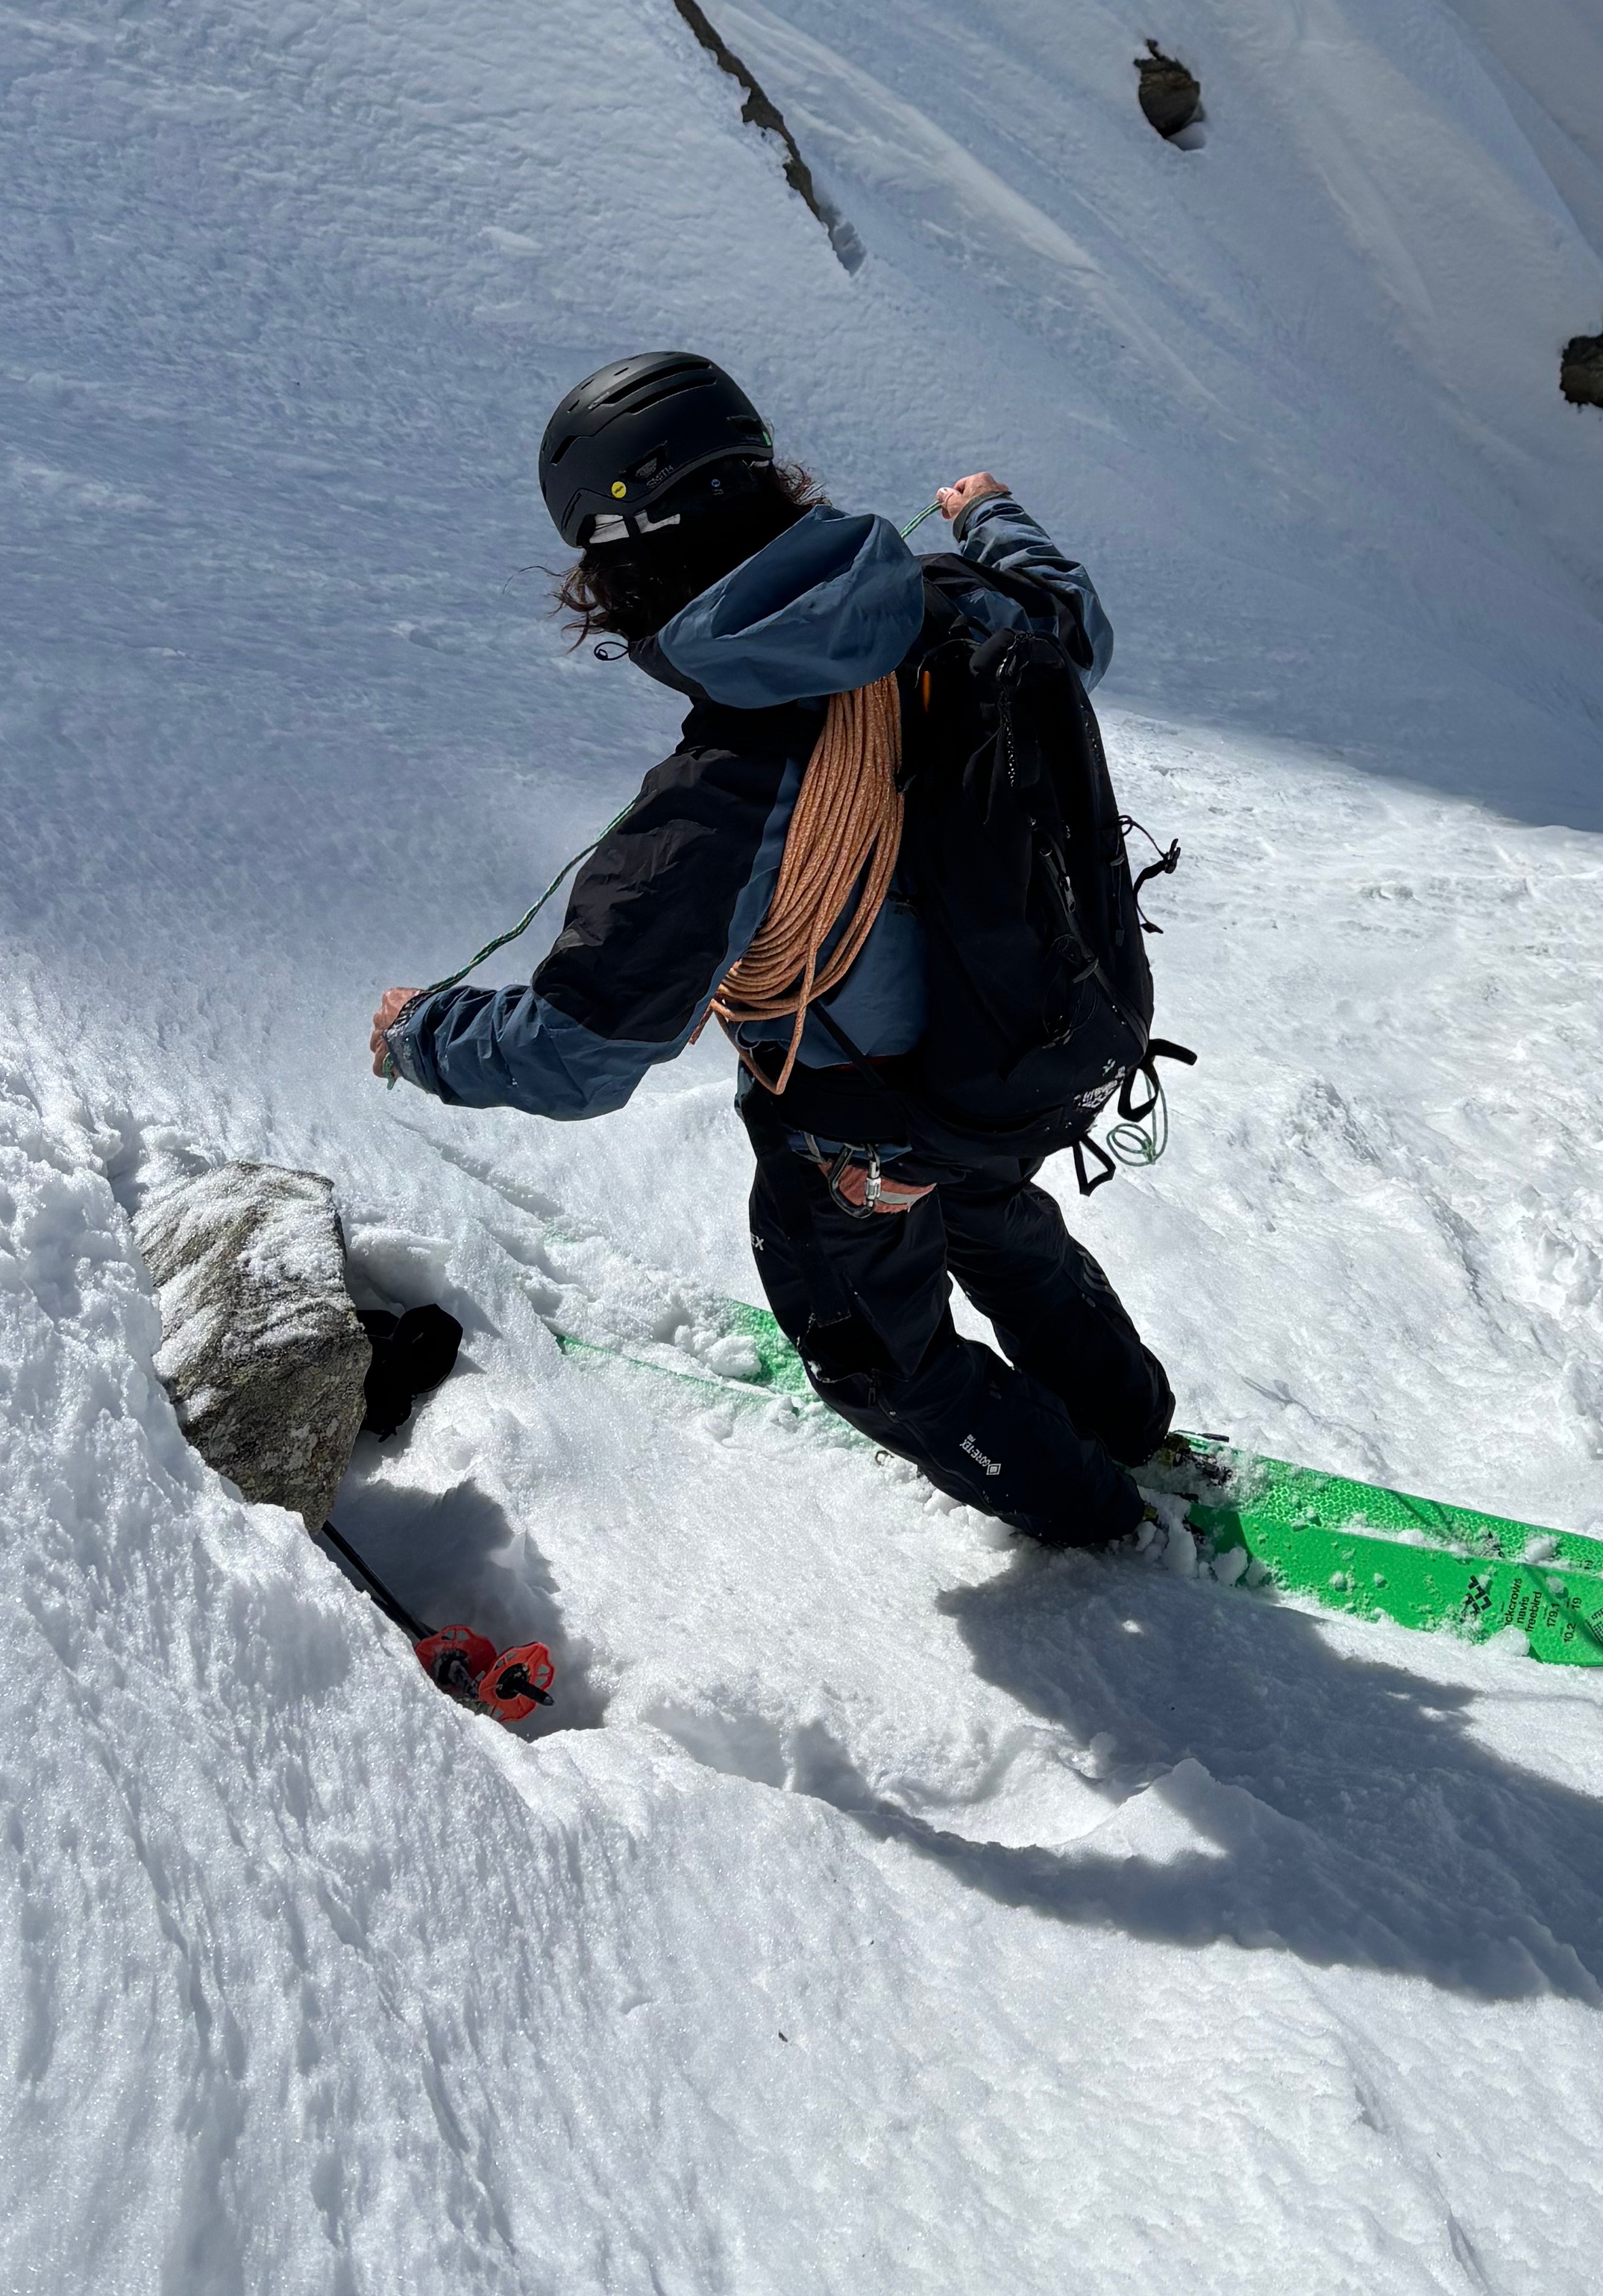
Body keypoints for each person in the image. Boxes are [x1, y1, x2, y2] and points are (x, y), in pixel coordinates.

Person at [369, 354, 1174, 1550]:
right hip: (1036, 1047)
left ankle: (1097, 1516)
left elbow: (580, 1056)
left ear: (618, 568)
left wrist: (419, 1031)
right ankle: (1129, 1416)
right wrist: (992, 512)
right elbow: (1074, 617)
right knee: (993, 1218)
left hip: (863, 1126)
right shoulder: (955, 601)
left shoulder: (727, 794)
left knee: (881, 1364)